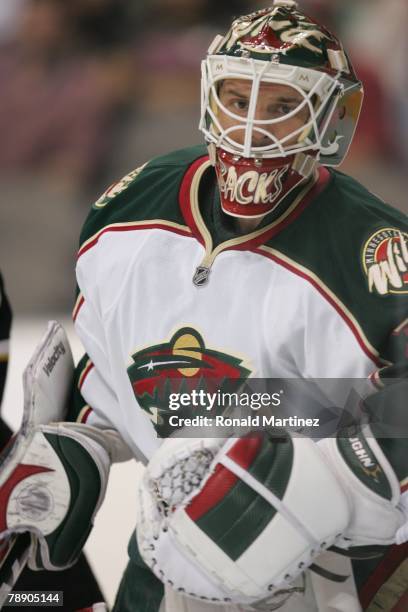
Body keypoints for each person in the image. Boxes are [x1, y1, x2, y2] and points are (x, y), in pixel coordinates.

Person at [2, 2, 407, 610]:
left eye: (281, 107)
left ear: (331, 118)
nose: (250, 129)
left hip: (328, 579)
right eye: (237, 99)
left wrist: (326, 483)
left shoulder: (376, 252)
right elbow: (120, 368)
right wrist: (82, 441)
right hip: (165, 566)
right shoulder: (132, 209)